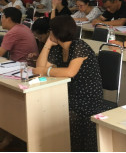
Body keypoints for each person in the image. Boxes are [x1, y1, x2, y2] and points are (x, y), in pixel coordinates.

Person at [32, 15, 103, 152]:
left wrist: (46, 71)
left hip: (87, 98)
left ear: (57, 32)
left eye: (51, 30)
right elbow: (39, 68)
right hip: (68, 94)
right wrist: (47, 45)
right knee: (45, 109)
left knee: (62, 114)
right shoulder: (58, 47)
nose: (49, 33)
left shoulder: (79, 46)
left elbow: (70, 72)